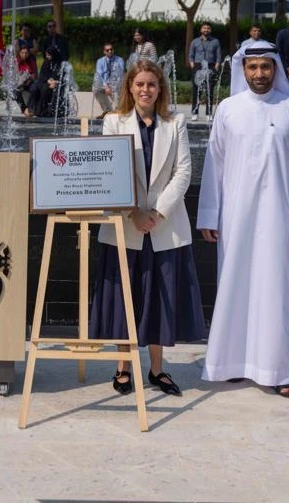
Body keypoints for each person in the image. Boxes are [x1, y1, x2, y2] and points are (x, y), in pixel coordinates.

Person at [197, 43, 289, 397]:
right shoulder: (228, 110)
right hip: (235, 216)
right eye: (252, 67)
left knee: (274, 290)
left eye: (265, 67)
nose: (259, 74)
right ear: (243, 69)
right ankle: (230, 364)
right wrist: (209, 213)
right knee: (234, 285)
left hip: (280, 216)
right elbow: (214, 167)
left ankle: (276, 371)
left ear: (275, 69)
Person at [90, 60, 204, 397]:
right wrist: (133, 213)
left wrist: (156, 212)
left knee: (159, 298)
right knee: (125, 298)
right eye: (139, 84)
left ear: (160, 89)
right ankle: (123, 366)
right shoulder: (113, 122)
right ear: (129, 87)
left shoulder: (175, 123)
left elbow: (183, 172)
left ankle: (157, 369)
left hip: (164, 225)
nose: (145, 89)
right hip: (125, 226)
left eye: (151, 84)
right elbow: (111, 169)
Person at [187, 22, 221, 117]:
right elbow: (191, 55)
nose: (206, 30)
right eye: (204, 28)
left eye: (208, 28)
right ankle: (195, 112)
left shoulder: (215, 41)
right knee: (196, 90)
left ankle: (209, 113)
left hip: (210, 66)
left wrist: (216, 67)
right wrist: (193, 65)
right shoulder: (195, 41)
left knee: (209, 90)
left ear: (211, 30)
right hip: (198, 66)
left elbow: (218, 56)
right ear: (201, 30)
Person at [28, 46, 66, 118]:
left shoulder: (61, 63)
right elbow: (42, 74)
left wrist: (55, 82)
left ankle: (42, 111)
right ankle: (31, 109)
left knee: (45, 89)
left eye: (49, 55)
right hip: (45, 81)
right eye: (46, 55)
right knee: (34, 88)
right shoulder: (46, 61)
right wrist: (48, 80)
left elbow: (63, 76)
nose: (47, 56)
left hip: (56, 83)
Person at [92, 43, 125, 116]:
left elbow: (120, 74)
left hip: (116, 84)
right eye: (107, 50)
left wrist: (111, 85)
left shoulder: (119, 60)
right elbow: (99, 76)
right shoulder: (100, 61)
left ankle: (118, 111)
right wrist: (106, 86)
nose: (110, 51)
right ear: (104, 52)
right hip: (105, 84)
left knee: (117, 95)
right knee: (96, 90)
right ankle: (107, 110)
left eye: (111, 49)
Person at [13, 45, 38, 114]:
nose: (24, 54)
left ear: (28, 53)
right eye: (22, 53)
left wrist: (26, 82)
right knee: (15, 91)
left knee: (34, 89)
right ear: (20, 53)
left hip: (29, 82)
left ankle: (30, 108)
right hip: (20, 83)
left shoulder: (31, 61)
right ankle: (23, 108)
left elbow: (34, 75)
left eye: (26, 53)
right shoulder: (16, 61)